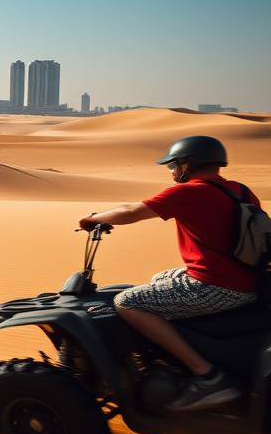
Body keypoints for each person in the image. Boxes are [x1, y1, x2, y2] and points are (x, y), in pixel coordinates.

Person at [79, 135, 260, 412]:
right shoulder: (241, 191)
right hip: (245, 280)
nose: (173, 172)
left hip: (216, 286)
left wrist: (95, 218)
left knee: (126, 302)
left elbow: (132, 211)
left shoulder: (191, 192)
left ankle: (208, 376)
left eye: (173, 166)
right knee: (160, 279)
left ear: (187, 164)